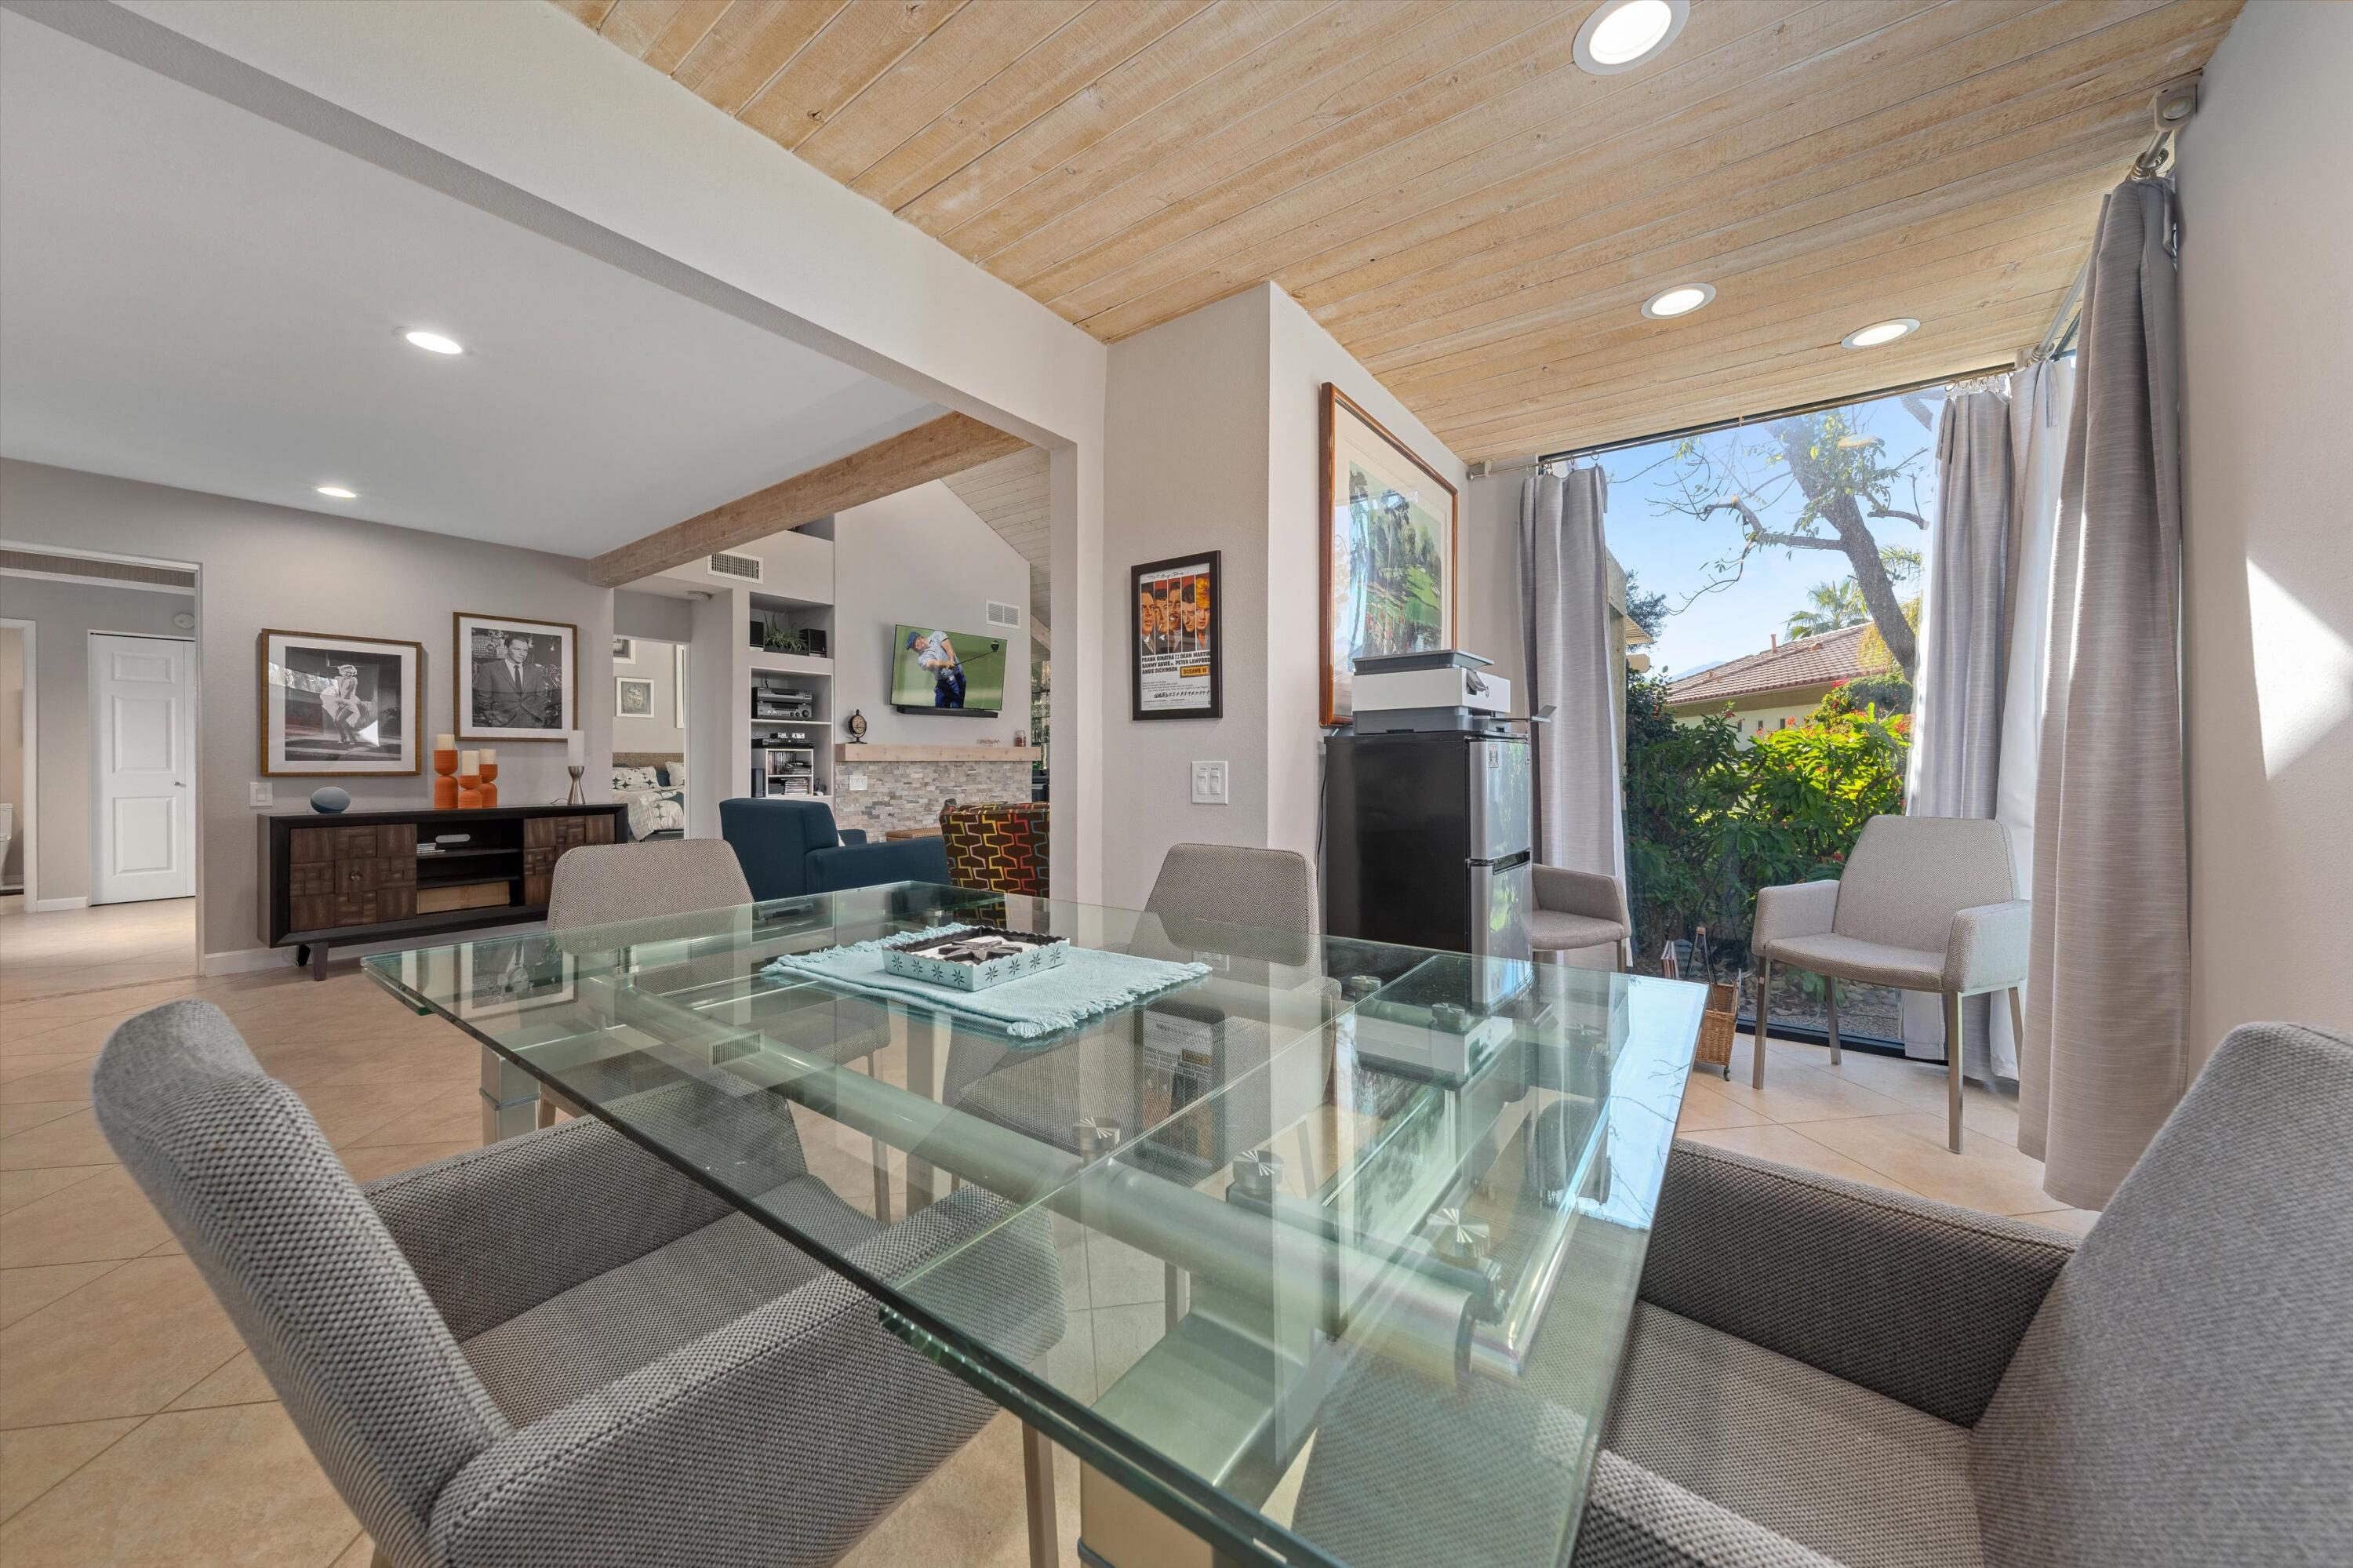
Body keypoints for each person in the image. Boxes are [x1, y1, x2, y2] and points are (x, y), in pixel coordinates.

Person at [475, 631, 553, 729]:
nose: (522, 654)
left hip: (531, 725)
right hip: (501, 725)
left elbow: (541, 698)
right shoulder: (489, 669)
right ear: (507, 648)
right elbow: (483, 699)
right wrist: (492, 720)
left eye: (525, 651)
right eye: (517, 649)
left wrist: (538, 721)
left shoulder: (534, 670)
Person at [316, 663, 373, 748]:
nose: (350, 674)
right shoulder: (337, 678)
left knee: (340, 719)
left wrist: (343, 702)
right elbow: (336, 691)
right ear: (342, 672)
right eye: (347, 672)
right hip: (340, 701)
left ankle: (352, 739)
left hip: (351, 702)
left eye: (351, 673)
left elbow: (350, 692)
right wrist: (337, 700)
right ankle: (344, 737)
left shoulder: (353, 680)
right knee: (336, 721)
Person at [907, 627, 966, 709]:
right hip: (942, 684)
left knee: (957, 710)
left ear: (919, 638)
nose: (914, 648)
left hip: (957, 678)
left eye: (913, 645)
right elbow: (931, 663)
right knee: (939, 712)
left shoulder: (937, 635)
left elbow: (948, 648)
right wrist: (946, 664)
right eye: (912, 648)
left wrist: (951, 660)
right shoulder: (920, 659)